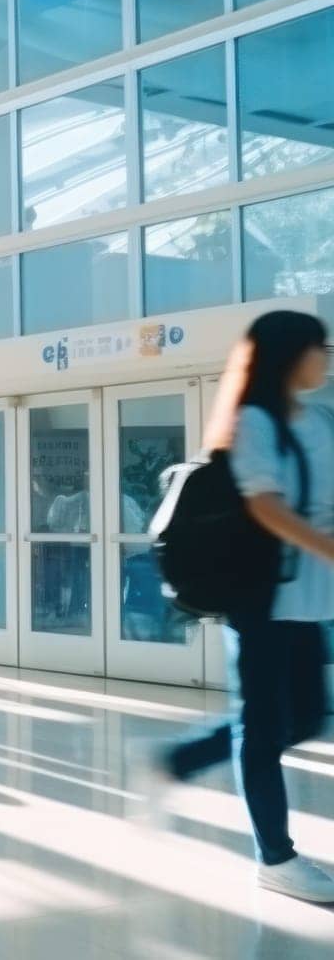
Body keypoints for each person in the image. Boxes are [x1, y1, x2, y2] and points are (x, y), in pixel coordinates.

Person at [156, 310, 334, 903]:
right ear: (290, 354)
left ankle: (182, 757)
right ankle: (275, 858)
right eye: (320, 347)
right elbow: (266, 506)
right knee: (263, 730)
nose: (327, 357)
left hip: (308, 597)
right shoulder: (252, 421)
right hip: (263, 598)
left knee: (304, 718)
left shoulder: (320, 418)